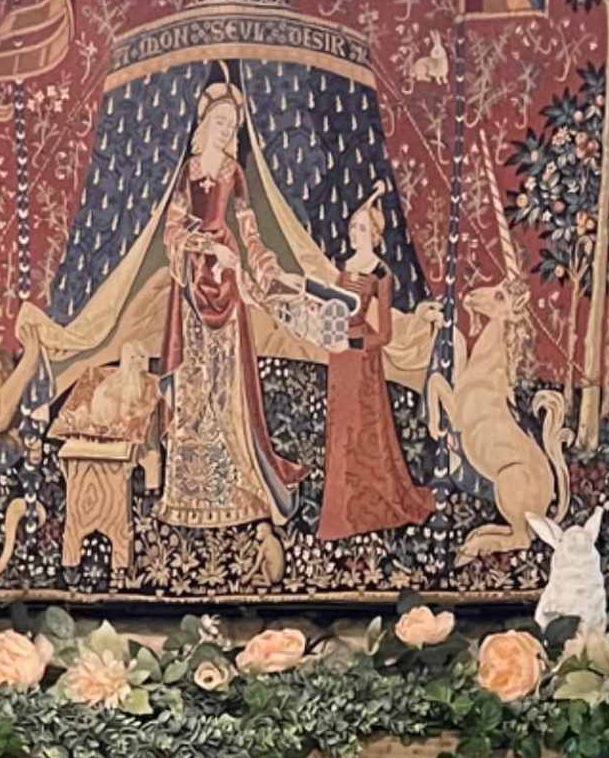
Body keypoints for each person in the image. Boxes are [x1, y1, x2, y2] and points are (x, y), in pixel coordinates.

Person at [150, 79, 296, 531]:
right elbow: (171, 231)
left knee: (227, 377)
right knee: (194, 376)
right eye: (220, 122)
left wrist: (266, 267)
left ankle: (234, 481)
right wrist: (209, 248)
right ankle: (188, 493)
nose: (225, 130)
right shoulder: (189, 170)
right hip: (194, 277)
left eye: (231, 124)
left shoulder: (234, 171)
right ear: (205, 123)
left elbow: (250, 231)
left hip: (227, 279)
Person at [314, 187, 435, 542]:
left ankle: (368, 504)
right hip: (339, 356)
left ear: (376, 235)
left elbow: (383, 334)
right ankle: (340, 506)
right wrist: (326, 327)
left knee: (363, 428)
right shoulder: (345, 266)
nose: (356, 233)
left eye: (363, 229)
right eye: (353, 227)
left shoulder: (381, 274)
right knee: (340, 429)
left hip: (362, 357)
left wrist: (351, 343)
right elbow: (336, 308)